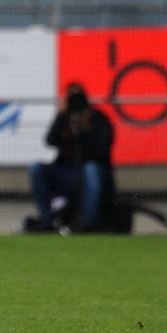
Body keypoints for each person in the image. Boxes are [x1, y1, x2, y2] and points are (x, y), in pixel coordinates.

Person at [27, 82, 114, 232]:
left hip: (90, 176)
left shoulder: (98, 118)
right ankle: (47, 222)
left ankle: (87, 223)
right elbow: (50, 140)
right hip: (66, 174)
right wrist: (61, 116)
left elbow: (102, 149)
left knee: (90, 169)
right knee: (37, 168)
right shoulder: (64, 119)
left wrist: (87, 129)